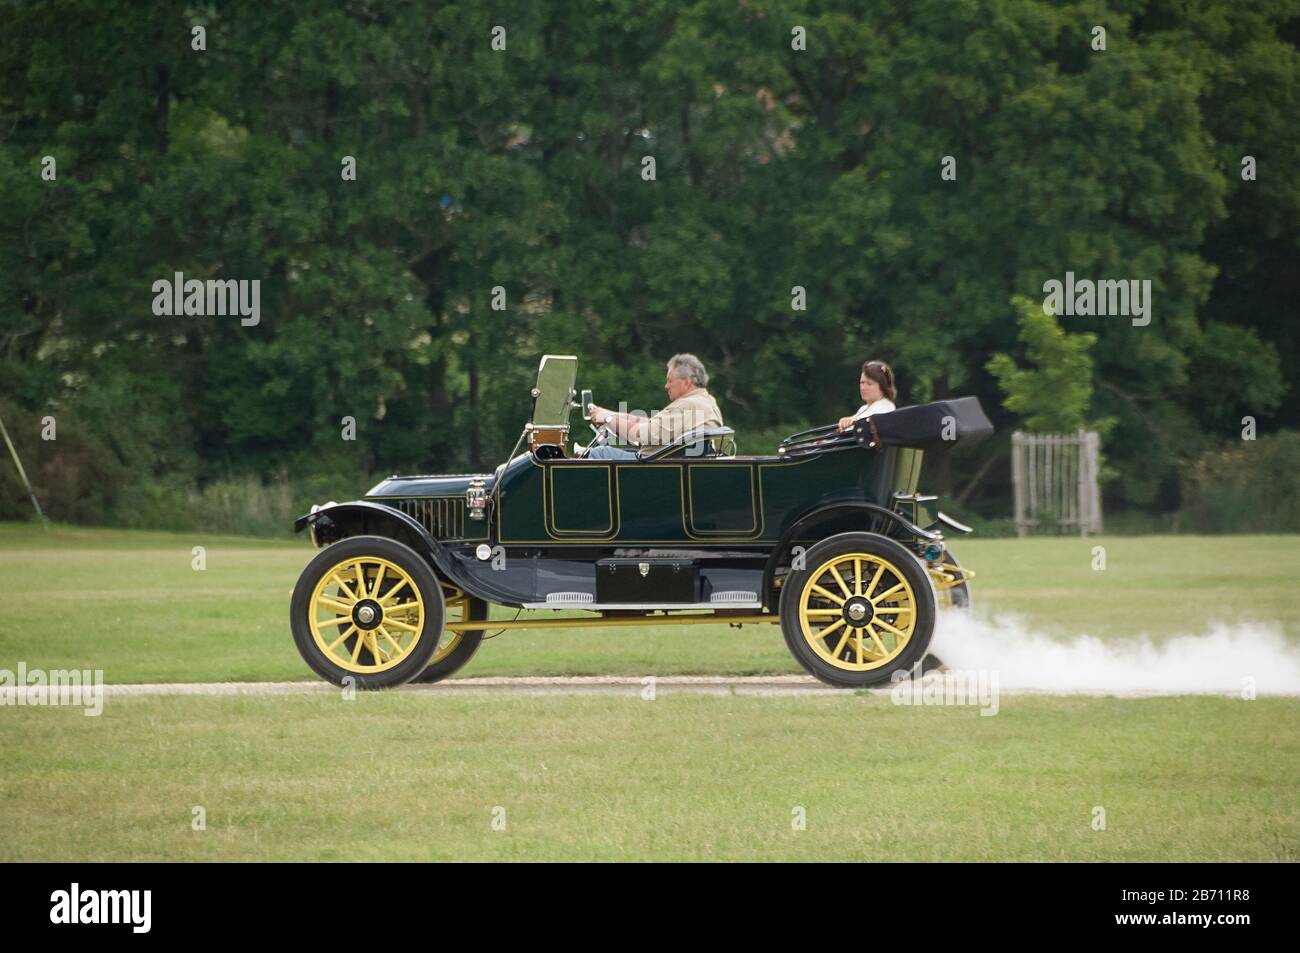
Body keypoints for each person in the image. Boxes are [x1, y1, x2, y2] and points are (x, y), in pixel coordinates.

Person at [586, 353, 723, 459]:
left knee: (600, 453)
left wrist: (609, 420)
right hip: (672, 465)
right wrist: (609, 414)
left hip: (655, 468)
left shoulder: (688, 405)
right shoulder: (706, 401)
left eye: (670, 381)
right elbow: (651, 424)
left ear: (686, 382)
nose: (666, 386)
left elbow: (640, 435)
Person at [837, 360, 897, 432]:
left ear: (882, 387)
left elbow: (865, 428)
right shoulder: (864, 408)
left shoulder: (885, 407)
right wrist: (846, 421)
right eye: (862, 383)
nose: (863, 388)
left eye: (869, 384)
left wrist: (851, 422)